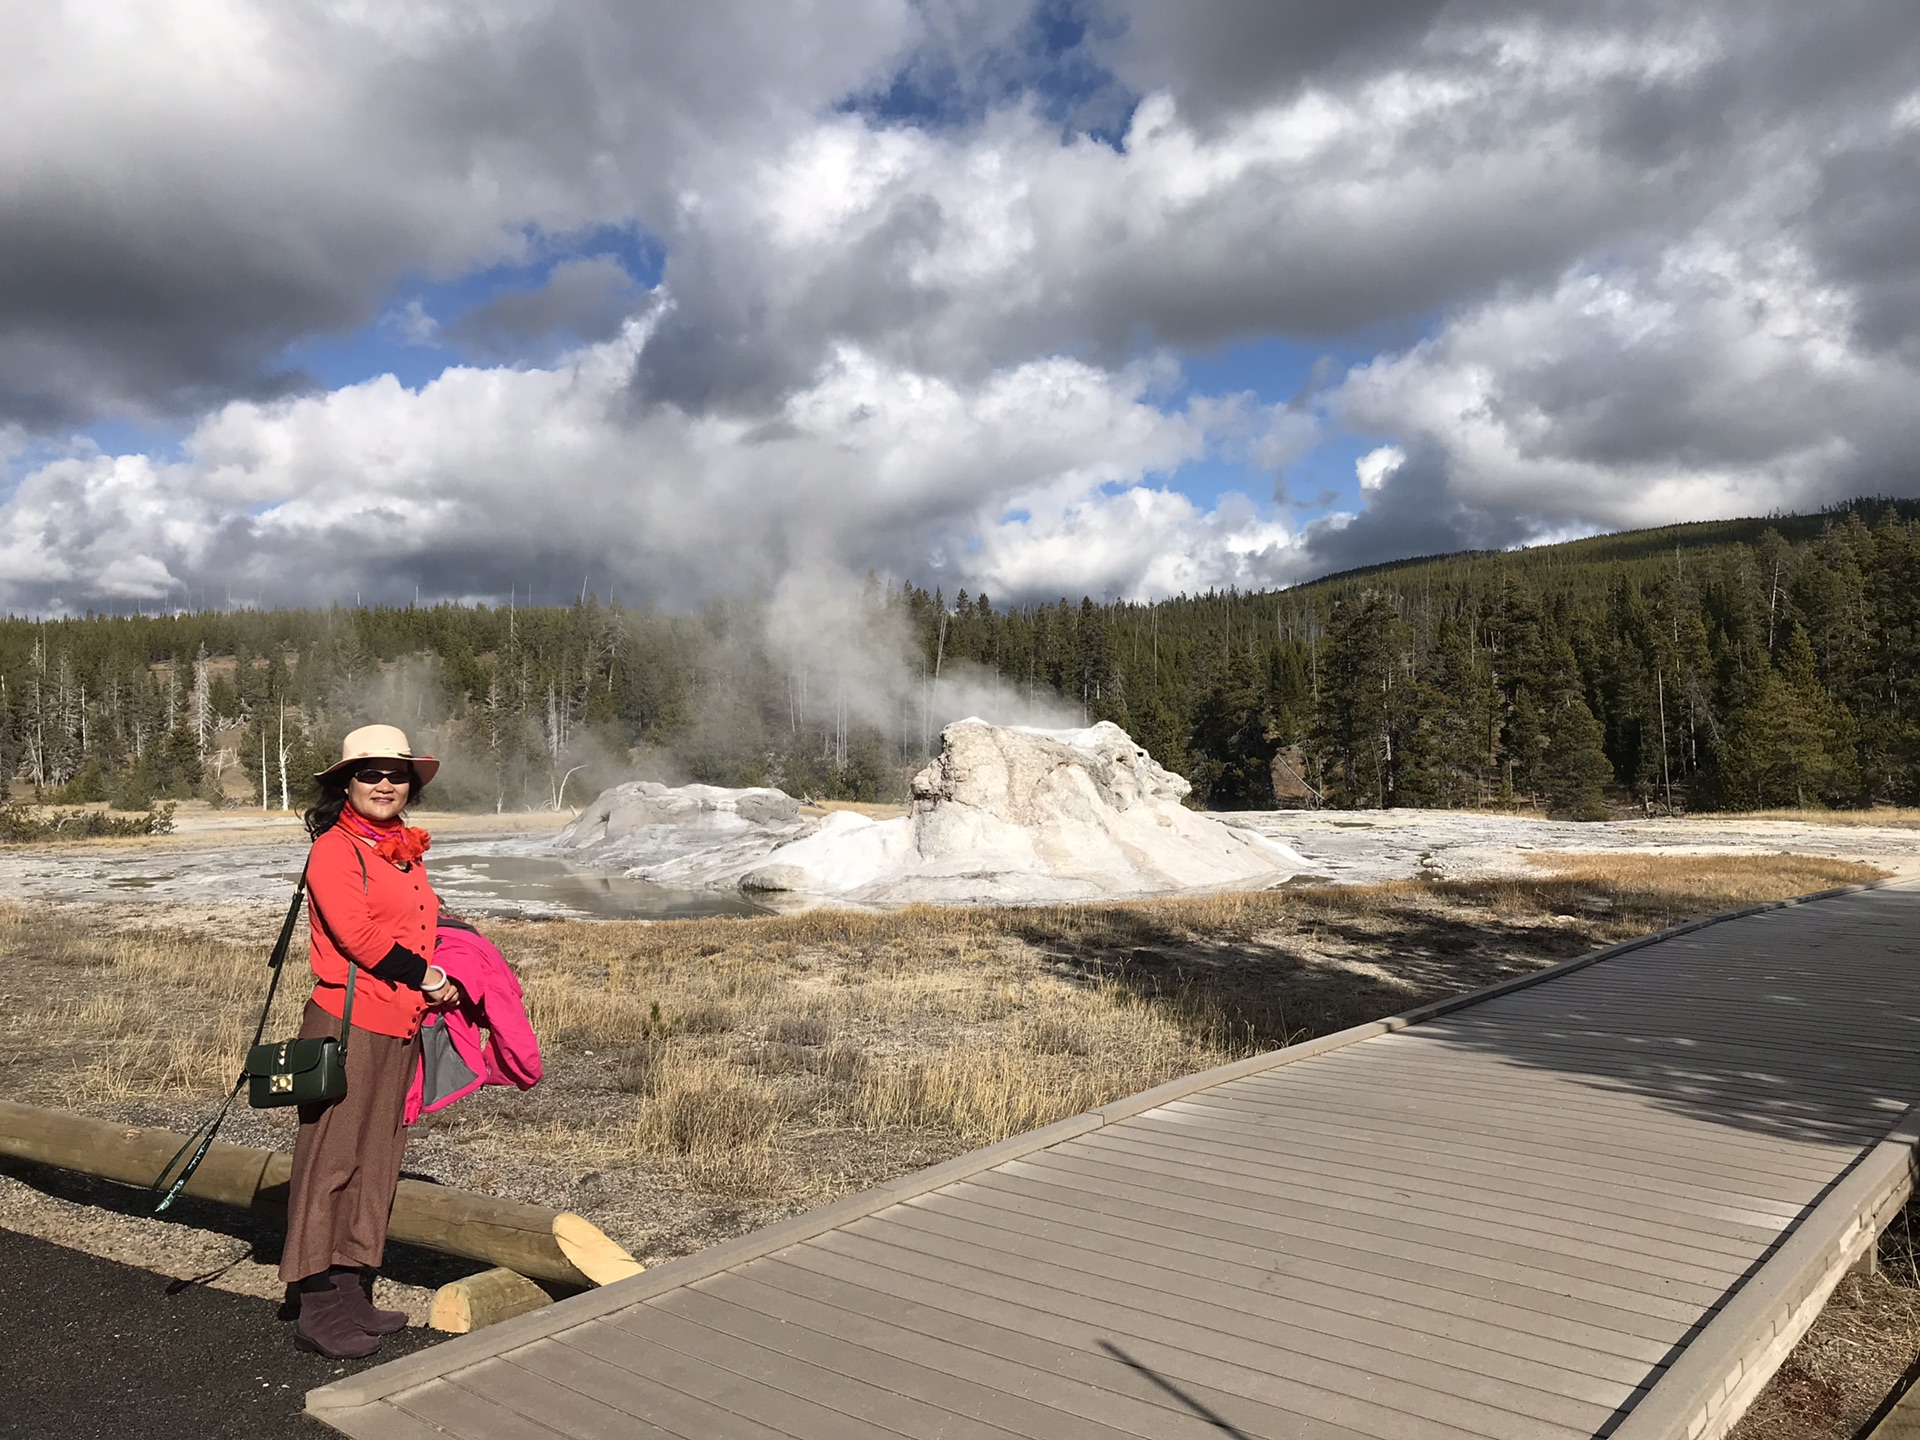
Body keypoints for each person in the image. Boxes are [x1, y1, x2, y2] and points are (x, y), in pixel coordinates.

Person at [282, 723, 461, 1358]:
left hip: (399, 1024)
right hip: (348, 1024)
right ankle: (314, 1298)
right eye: (370, 773)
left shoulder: (403, 850)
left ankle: (353, 1286)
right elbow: (357, 935)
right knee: (331, 1156)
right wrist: (429, 975)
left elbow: (416, 920)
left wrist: (465, 951)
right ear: (346, 785)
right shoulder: (334, 848)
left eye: (397, 775)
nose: (385, 784)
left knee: (377, 1157)